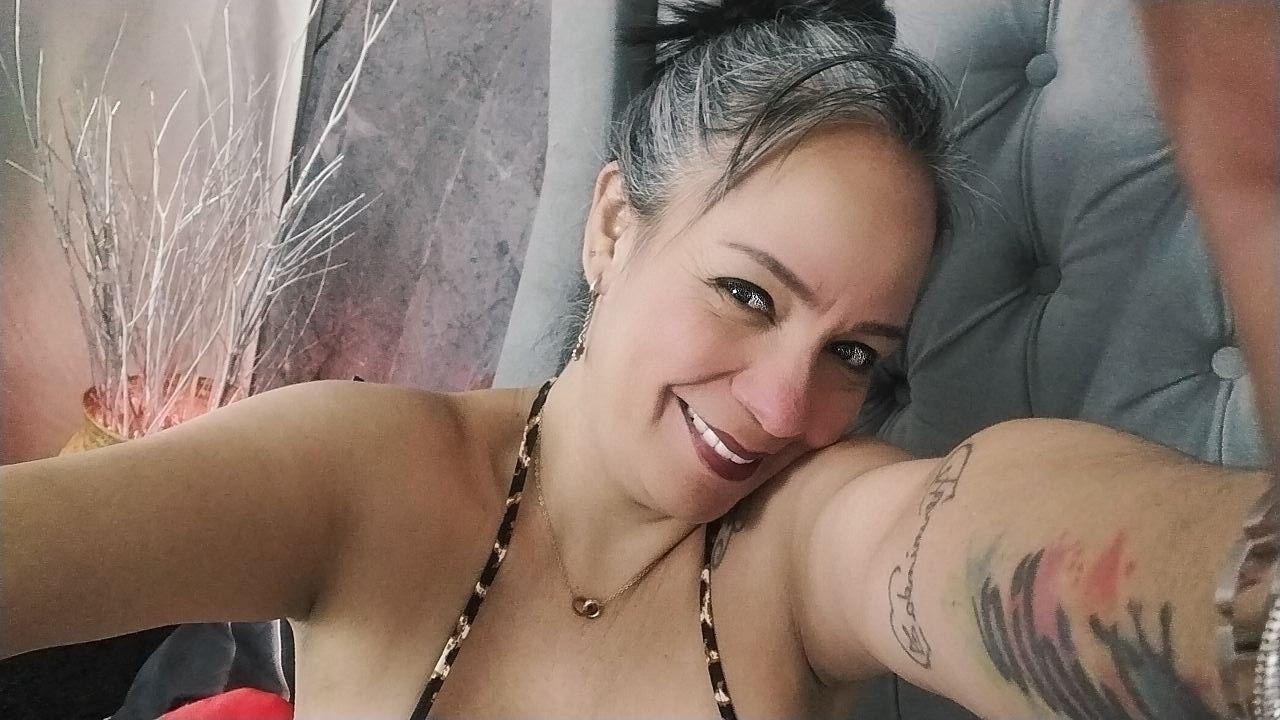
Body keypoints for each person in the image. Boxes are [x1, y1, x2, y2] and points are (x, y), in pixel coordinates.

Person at [1, 2, 1268, 718]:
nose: (784, 405)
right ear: (612, 225)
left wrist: (1254, 621)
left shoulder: (799, 545)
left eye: (852, 353)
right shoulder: (367, 471)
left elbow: (957, 532)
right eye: (744, 293)